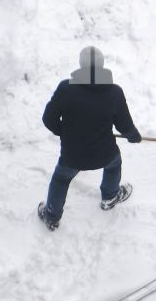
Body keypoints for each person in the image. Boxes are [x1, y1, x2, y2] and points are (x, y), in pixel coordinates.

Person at [37, 46, 140, 229]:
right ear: (102, 66)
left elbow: (48, 119)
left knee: (61, 179)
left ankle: (51, 216)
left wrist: (64, 131)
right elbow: (124, 126)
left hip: (72, 156)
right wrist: (133, 136)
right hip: (105, 153)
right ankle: (110, 196)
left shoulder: (65, 88)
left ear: (81, 65)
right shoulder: (115, 92)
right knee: (114, 164)